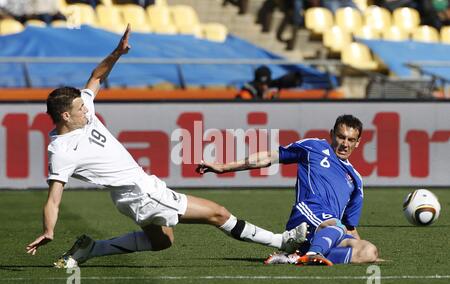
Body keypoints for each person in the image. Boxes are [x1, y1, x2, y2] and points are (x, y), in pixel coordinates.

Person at [25, 25, 307, 268]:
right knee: (217, 213)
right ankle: (281, 241)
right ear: (65, 116)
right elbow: (54, 197)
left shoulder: (82, 113)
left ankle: (91, 249)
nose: (86, 109)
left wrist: (117, 52)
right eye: (79, 109)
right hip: (142, 194)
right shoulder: (61, 151)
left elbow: (97, 76)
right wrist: (49, 230)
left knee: (162, 241)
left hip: (132, 194)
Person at [197, 115, 380, 266]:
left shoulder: (356, 179)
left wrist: (360, 247)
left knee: (368, 251)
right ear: (332, 134)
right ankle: (313, 253)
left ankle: (298, 256)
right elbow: (269, 156)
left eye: (351, 139)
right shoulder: (314, 147)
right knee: (336, 226)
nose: (345, 144)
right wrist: (224, 167)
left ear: (358, 142)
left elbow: (350, 227)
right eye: (341, 136)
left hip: (330, 232)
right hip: (306, 215)